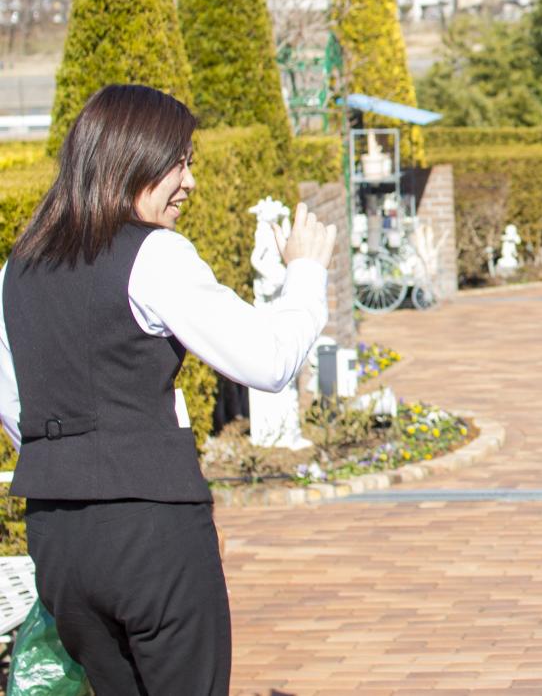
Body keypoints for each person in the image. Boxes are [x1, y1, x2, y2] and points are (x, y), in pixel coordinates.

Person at [0, 84, 338, 696]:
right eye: (179, 162)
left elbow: (16, 408)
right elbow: (267, 362)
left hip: (57, 538)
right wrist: (307, 273)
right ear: (134, 159)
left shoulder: (16, 268)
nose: (189, 182)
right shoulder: (155, 255)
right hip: (150, 529)